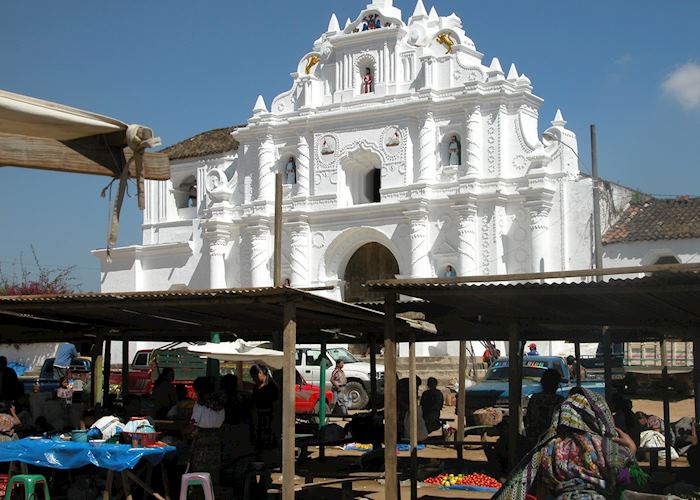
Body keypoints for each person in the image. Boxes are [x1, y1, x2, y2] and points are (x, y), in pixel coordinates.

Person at [495, 388, 645, 500]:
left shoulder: (549, 448)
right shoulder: (606, 447)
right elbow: (627, 480)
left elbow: (542, 491)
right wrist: (631, 449)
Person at [189, 377, 225, 497]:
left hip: (202, 441)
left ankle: (200, 496)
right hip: (216, 440)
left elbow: (194, 424)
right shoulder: (220, 404)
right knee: (213, 473)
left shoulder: (200, 405)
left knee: (200, 473)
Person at [523, 368, 565, 446]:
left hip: (534, 439)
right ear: (556, 384)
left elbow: (529, 418)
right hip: (552, 439)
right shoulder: (560, 400)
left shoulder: (535, 398)